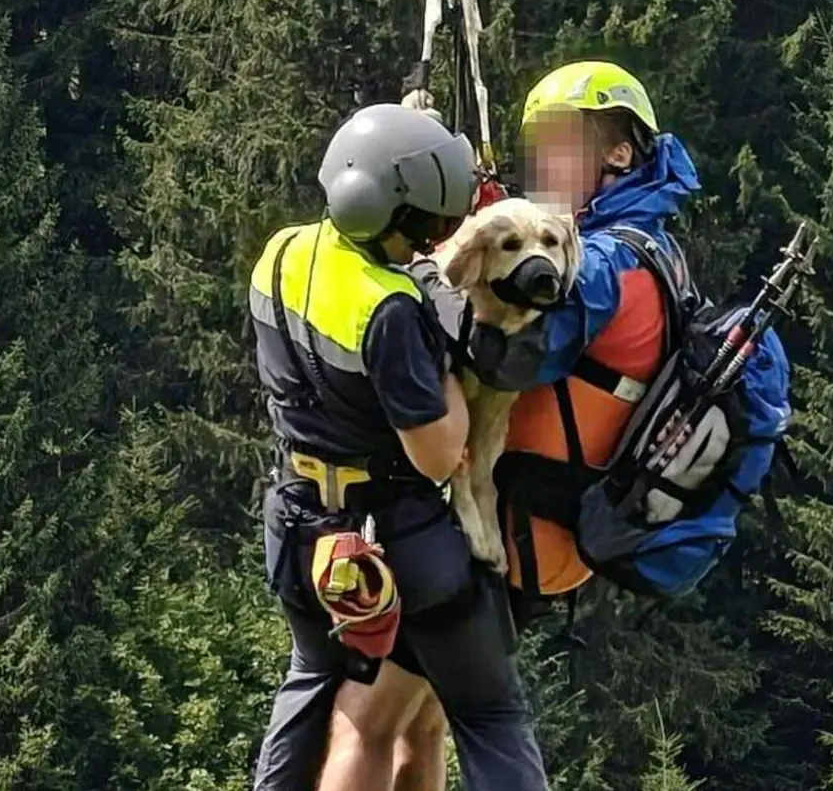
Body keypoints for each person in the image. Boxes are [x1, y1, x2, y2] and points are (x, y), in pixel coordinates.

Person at [390, 59, 704, 779]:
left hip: (510, 525)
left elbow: (505, 352)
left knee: (380, 712)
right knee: (425, 720)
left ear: (618, 151)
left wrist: (426, 270)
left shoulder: (605, 264)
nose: (544, 160)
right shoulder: (635, 240)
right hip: (534, 523)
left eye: (560, 141)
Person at [248, 102, 549, 791]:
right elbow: (439, 456)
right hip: (395, 537)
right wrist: (444, 367)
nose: (438, 231)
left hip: (297, 523)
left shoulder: (283, 251)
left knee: (311, 682)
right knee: (489, 711)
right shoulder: (390, 310)